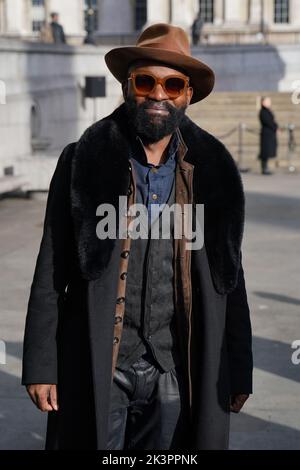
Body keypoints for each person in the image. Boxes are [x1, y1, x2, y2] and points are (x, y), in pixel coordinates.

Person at [22, 23, 253, 450]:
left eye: (172, 84)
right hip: (98, 364)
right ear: (129, 87)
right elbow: (51, 267)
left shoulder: (214, 169)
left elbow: (230, 277)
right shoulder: (81, 160)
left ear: (188, 94)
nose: (158, 95)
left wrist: (238, 368)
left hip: (174, 367)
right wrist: (41, 364)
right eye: (146, 81)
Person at [258, 96, 278, 175]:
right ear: (263, 102)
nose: (269, 103)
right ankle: (264, 168)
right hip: (266, 134)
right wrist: (275, 127)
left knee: (266, 152)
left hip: (269, 133)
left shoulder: (267, 111)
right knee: (265, 152)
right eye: (267, 101)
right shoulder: (263, 111)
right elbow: (268, 121)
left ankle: (265, 168)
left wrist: (276, 126)